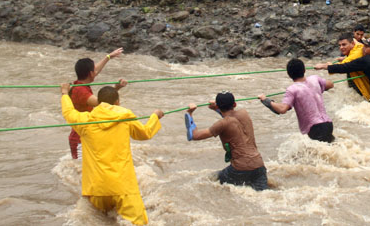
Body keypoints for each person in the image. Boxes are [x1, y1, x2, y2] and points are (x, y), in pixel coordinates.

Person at [61, 83, 162, 225]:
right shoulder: (125, 117)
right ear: (117, 102)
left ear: (98, 103)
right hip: (123, 188)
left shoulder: (85, 121)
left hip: (96, 189)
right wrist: (155, 117)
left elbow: (68, 112)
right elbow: (145, 133)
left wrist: (65, 93)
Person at [185, 92, 268, 191]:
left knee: (211, 181)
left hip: (239, 169)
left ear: (219, 106)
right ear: (234, 104)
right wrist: (216, 108)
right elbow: (231, 117)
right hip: (259, 166)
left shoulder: (222, 124)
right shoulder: (244, 113)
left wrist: (189, 113)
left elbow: (194, 135)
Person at [67, 48, 125, 159]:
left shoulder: (79, 83)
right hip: (79, 140)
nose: (96, 71)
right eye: (93, 70)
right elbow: (103, 102)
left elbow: (95, 71)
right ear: (90, 73)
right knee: (81, 172)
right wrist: (116, 88)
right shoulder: (81, 91)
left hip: (84, 135)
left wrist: (109, 56)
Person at [258, 59, 334, 143]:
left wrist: (265, 100)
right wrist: (318, 88)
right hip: (328, 123)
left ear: (289, 74)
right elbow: (330, 84)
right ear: (304, 70)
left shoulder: (292, 89)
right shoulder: (315, 79)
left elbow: (282, 109)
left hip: (315, 127)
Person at [315, 38, 370, 104]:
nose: (363, 48)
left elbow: (344, 67)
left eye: (366, 47)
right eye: (363, 45)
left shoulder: (366, 60)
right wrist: (345, 58)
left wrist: (324, 66)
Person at [335, 33, 370, 100]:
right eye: (339, 45)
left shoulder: (358, 52)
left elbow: (342, 66)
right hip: (354, 78)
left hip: (364, 86)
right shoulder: (354, 49)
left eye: (344, 45)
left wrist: (326, 66)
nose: (341, 47)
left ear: (352, 43)